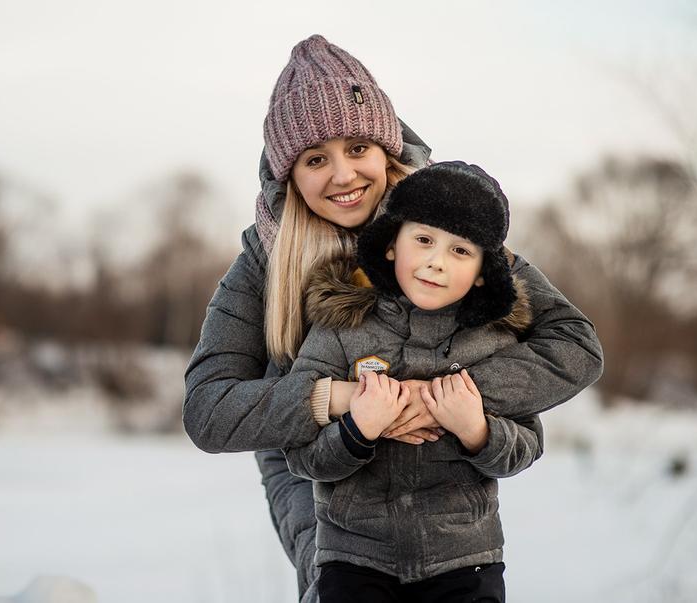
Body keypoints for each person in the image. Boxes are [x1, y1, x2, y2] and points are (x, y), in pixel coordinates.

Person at [182, 35, 603, 602]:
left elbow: (573, 343)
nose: (341, 175)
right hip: (311, 475)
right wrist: (337, 398)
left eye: (357, 147)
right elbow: (208, 409)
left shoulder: (447, 228)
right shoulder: (265, 258)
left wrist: (440, 397)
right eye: (314, 159)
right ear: (290, 175)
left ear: (387, 147)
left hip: (445, 510)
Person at [284, 161, 543, 602]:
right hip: (354, 559)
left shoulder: (493, 342)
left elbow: (526, 446)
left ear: (483, 271)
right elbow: (301, 456)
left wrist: (476, 430)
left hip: (464, 560)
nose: (435, 262)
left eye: (460, 251)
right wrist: (357, 429)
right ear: (391, 246)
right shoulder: (341, 328)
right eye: (423, 240)